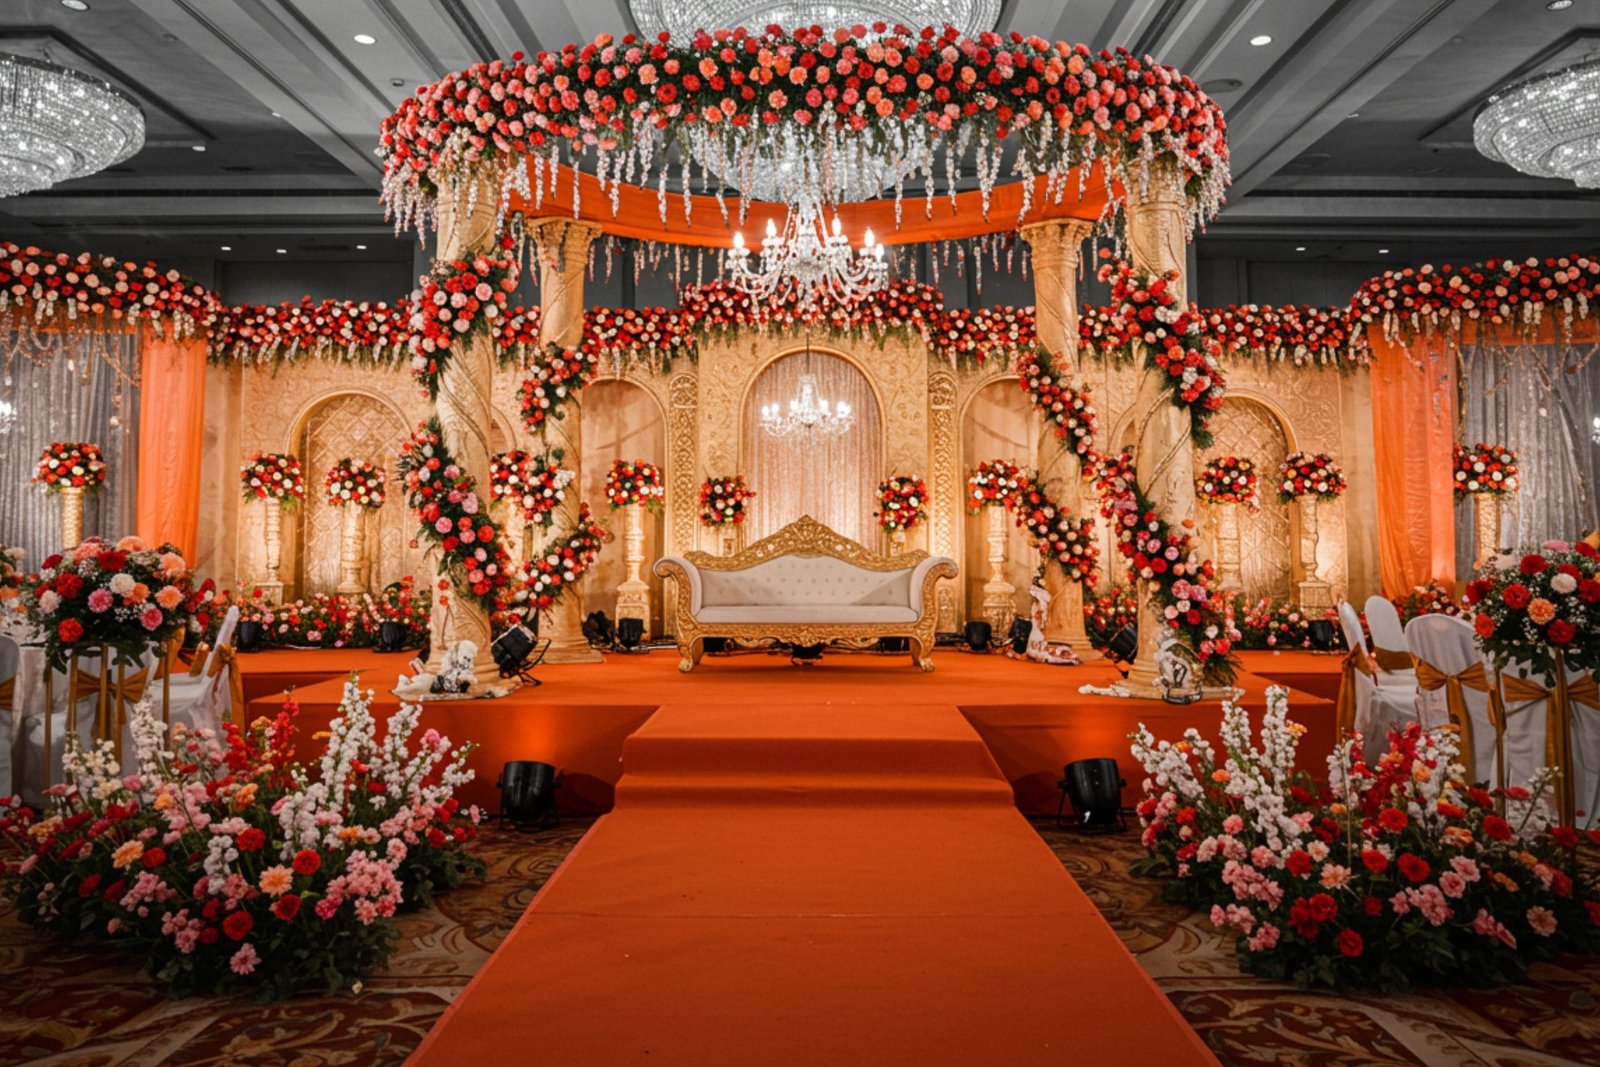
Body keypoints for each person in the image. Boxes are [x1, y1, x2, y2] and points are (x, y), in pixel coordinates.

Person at [1006, 585, 1080, 666]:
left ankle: (1035, 651)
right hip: (1034, 630)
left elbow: (1038, 620)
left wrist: (1039, 616)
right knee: (1034, 645)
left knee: (1036, 645)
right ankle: (1032, 650)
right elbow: (1036, 619)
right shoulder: (1035, 606)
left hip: (1036, 630)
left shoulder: (1039, 608)